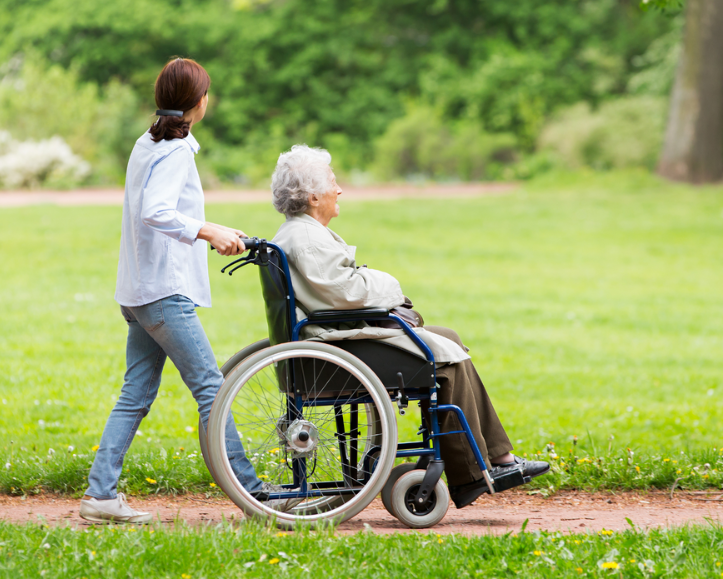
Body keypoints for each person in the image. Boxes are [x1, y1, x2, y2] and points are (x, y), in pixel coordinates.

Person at [269, 144, 550, 508]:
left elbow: (337, 290)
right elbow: (345, 292)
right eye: (333, 183)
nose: (339, 190)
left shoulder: (298, 234)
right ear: (312, 196)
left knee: (447, 339)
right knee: (444, 357)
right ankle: (480, 470)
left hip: (334, 338)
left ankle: (494, 460)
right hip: (337, 347)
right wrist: (390, 285)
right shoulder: (305, 239)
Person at [80, 58, 284, 524]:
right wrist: (206, 232)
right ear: (199, 102)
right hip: (162, 294)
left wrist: (212, 229)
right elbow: (156, 211)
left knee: (136, 393)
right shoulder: (175, 151)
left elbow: (158, 214)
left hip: (138, 289)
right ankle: (256, 495)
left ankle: (100, 495)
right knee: (214, 389)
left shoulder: (147, 141)